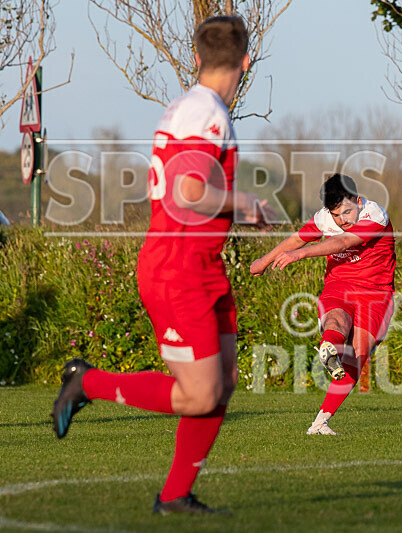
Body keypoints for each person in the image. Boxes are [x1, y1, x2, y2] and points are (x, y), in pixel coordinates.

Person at [51, 16, 268, 514]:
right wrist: (244, 203)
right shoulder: (206, 113)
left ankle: (174, 497)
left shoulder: (193, 106)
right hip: (178, 267)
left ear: (195, 57)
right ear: (245, 61)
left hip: (202, 263)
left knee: (224, 383)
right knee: (199, 395)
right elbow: (188, 192)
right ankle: (87, 382)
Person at [250, 174, 396, 435]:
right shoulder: (324, 219)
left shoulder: (375, 216)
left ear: (359, 201)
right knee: (337, 319)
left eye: (347, 212)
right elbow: (297, 239)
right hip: (339, 285)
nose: (343, 220)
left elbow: (342, 241)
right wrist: (264, 260)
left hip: (376, 293)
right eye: (337, 216)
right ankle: (329, 346)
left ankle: (320, 422)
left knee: (357, 356)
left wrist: (301, 253)